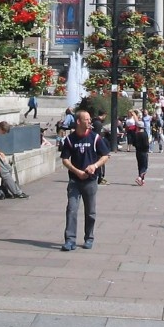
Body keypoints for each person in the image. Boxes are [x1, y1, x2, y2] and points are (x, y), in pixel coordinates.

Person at [59, 104, 111, 251]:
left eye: (89, 119)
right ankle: (70, 240)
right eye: (86, 119)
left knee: (91, 211)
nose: (90, 122)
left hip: (90, 180)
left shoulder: (95, 138)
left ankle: (89, 237)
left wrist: (94, 166)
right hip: (75, 180)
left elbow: (106, 156)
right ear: (78, 122)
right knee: (71, 209)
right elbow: (65, 159)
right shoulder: (70, 140)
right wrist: (76, 171)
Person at [133, 121, 150, 185]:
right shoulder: (144, 134)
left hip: (138, 151)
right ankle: (140, 177)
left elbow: (133, 143)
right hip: (144, 151)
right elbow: (146, 144)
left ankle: (142, 180)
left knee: (140, 165)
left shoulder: (136, 134)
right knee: (145, 166)